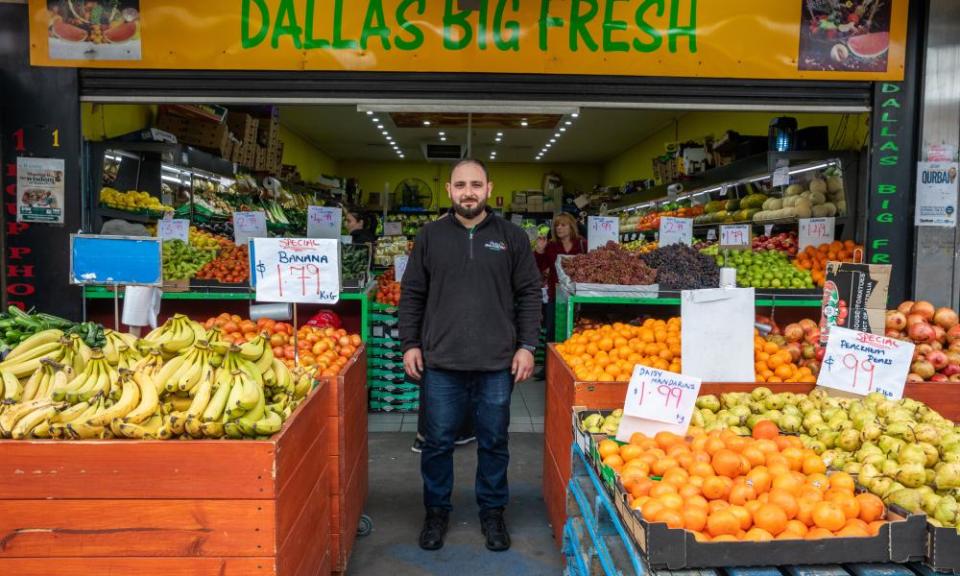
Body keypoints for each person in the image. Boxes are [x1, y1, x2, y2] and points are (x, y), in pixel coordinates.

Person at [399, 158, 541, 553]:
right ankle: (436, 512)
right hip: (441, 362)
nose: (468, 192)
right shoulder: (429, 236)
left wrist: (527, 346)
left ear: (489, 188)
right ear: (449, 191)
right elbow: (412, 293)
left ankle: (493, 513)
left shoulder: (512, 237)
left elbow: (530, 293)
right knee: (438, 442)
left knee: (494, 442)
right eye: (460, 185)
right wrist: (409, 343)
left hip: (496, 363)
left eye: (475, 184)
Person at [534, 212, 587, 367]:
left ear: (571, 226)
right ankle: (549, 368)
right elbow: (540, 266)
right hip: (555, 295)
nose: (559, 228)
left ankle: (574, 364)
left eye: (563, 225)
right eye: (557, 225)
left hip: (579, 294)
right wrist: (539, 250)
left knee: (576, 330)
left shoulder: (582, 244)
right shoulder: (551, 246)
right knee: (552, 331)